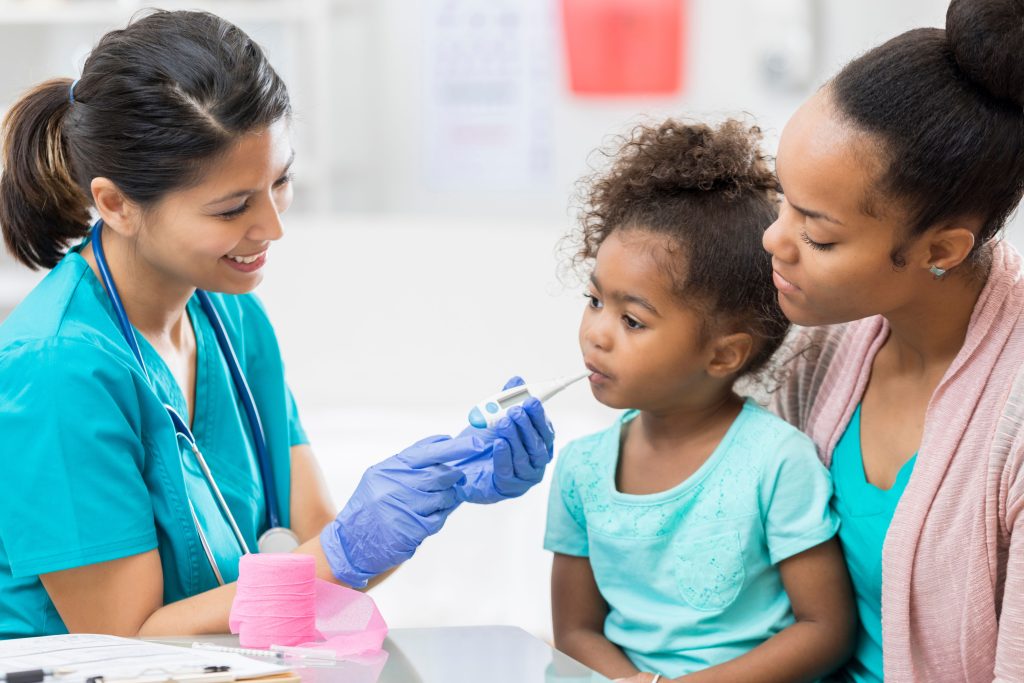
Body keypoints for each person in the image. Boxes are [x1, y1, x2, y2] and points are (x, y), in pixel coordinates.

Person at [0, 10, 554, 639]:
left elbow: (320, 548)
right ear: (116, 204)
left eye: (281, 180)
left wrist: (431, 498)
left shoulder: (232, 316)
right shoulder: (55, 368)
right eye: (233, 207)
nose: (272, 227)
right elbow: (126, 642)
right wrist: (345, 548)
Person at [763, 0, 1024, 680]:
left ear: (941, 247)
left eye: (818, 234)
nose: (774, 239)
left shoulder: (1014, 419)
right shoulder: (818, 351)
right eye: (780, 199)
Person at [544, 118, 855, 682]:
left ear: (722, 356)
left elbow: (824, 631)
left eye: (632, 320)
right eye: (594, 301)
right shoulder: (580, 471)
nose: (596, 333)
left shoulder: (777, 463)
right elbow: (575, 631)